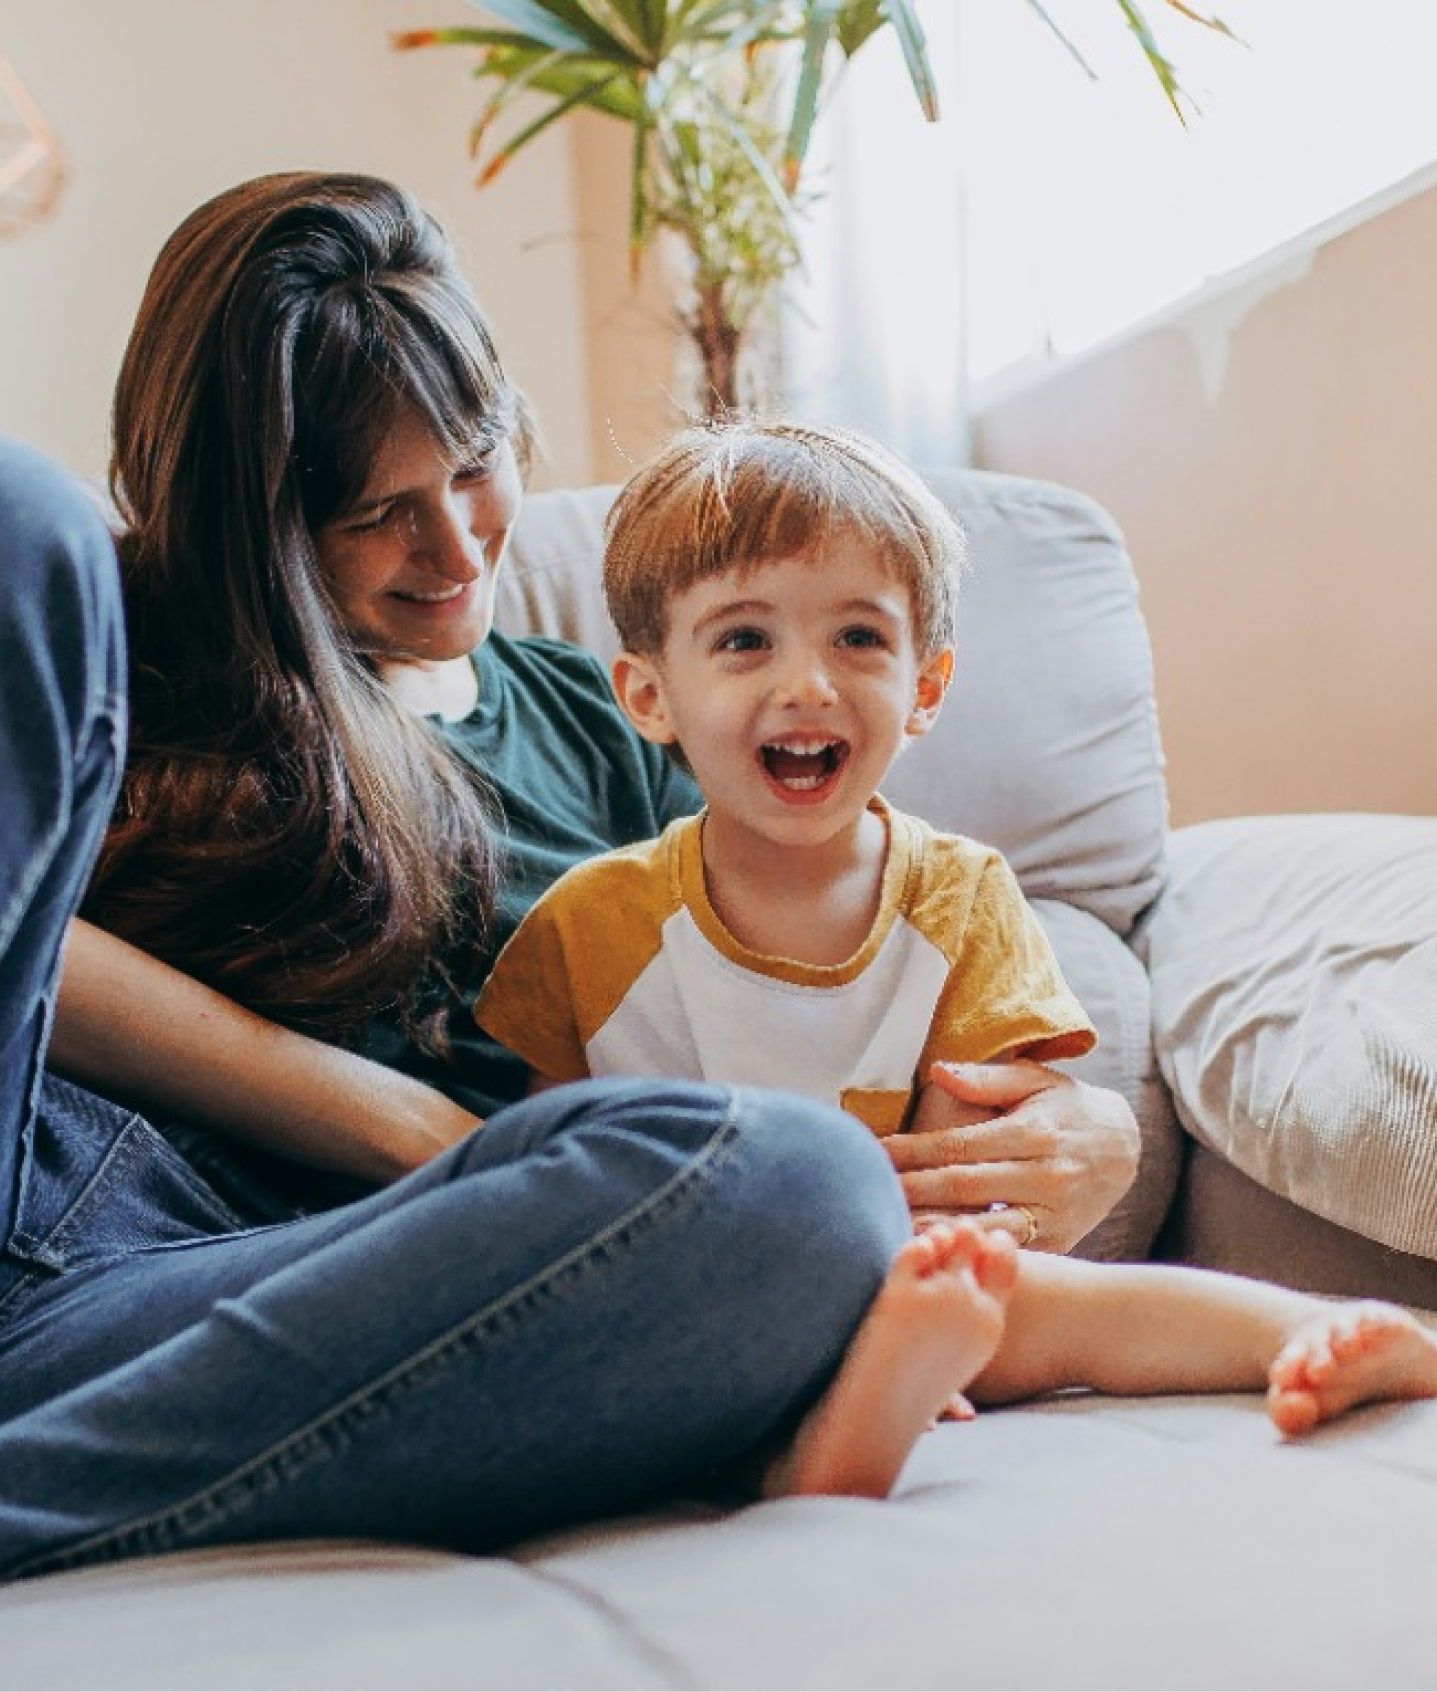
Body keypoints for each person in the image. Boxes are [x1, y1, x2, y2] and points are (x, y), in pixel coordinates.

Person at [0, 172, 1047, 1583]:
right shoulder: (124, 645)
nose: (454, 548)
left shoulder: (624, 720)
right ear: (258, 522)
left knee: (801, 1188)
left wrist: (1074, 1122)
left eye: (477, 458)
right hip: (47, 1170)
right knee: (20, 521)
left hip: (297, 1300)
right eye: (376, 511)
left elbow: (839, 1006)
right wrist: (404, 1122)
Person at [476, 418, 1437, 1444]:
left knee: (1042, 1302)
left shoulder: (963, 895)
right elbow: (544, 1171)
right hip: (681, 1299)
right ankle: (834, 1428)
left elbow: (972, 1168)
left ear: (924, 688)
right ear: (649, 695)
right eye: (746, 640)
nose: (808, 684)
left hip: (900, 1276)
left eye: (859, 638)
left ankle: (1311, 1329)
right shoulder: (586, 922)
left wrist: (927, 1288)